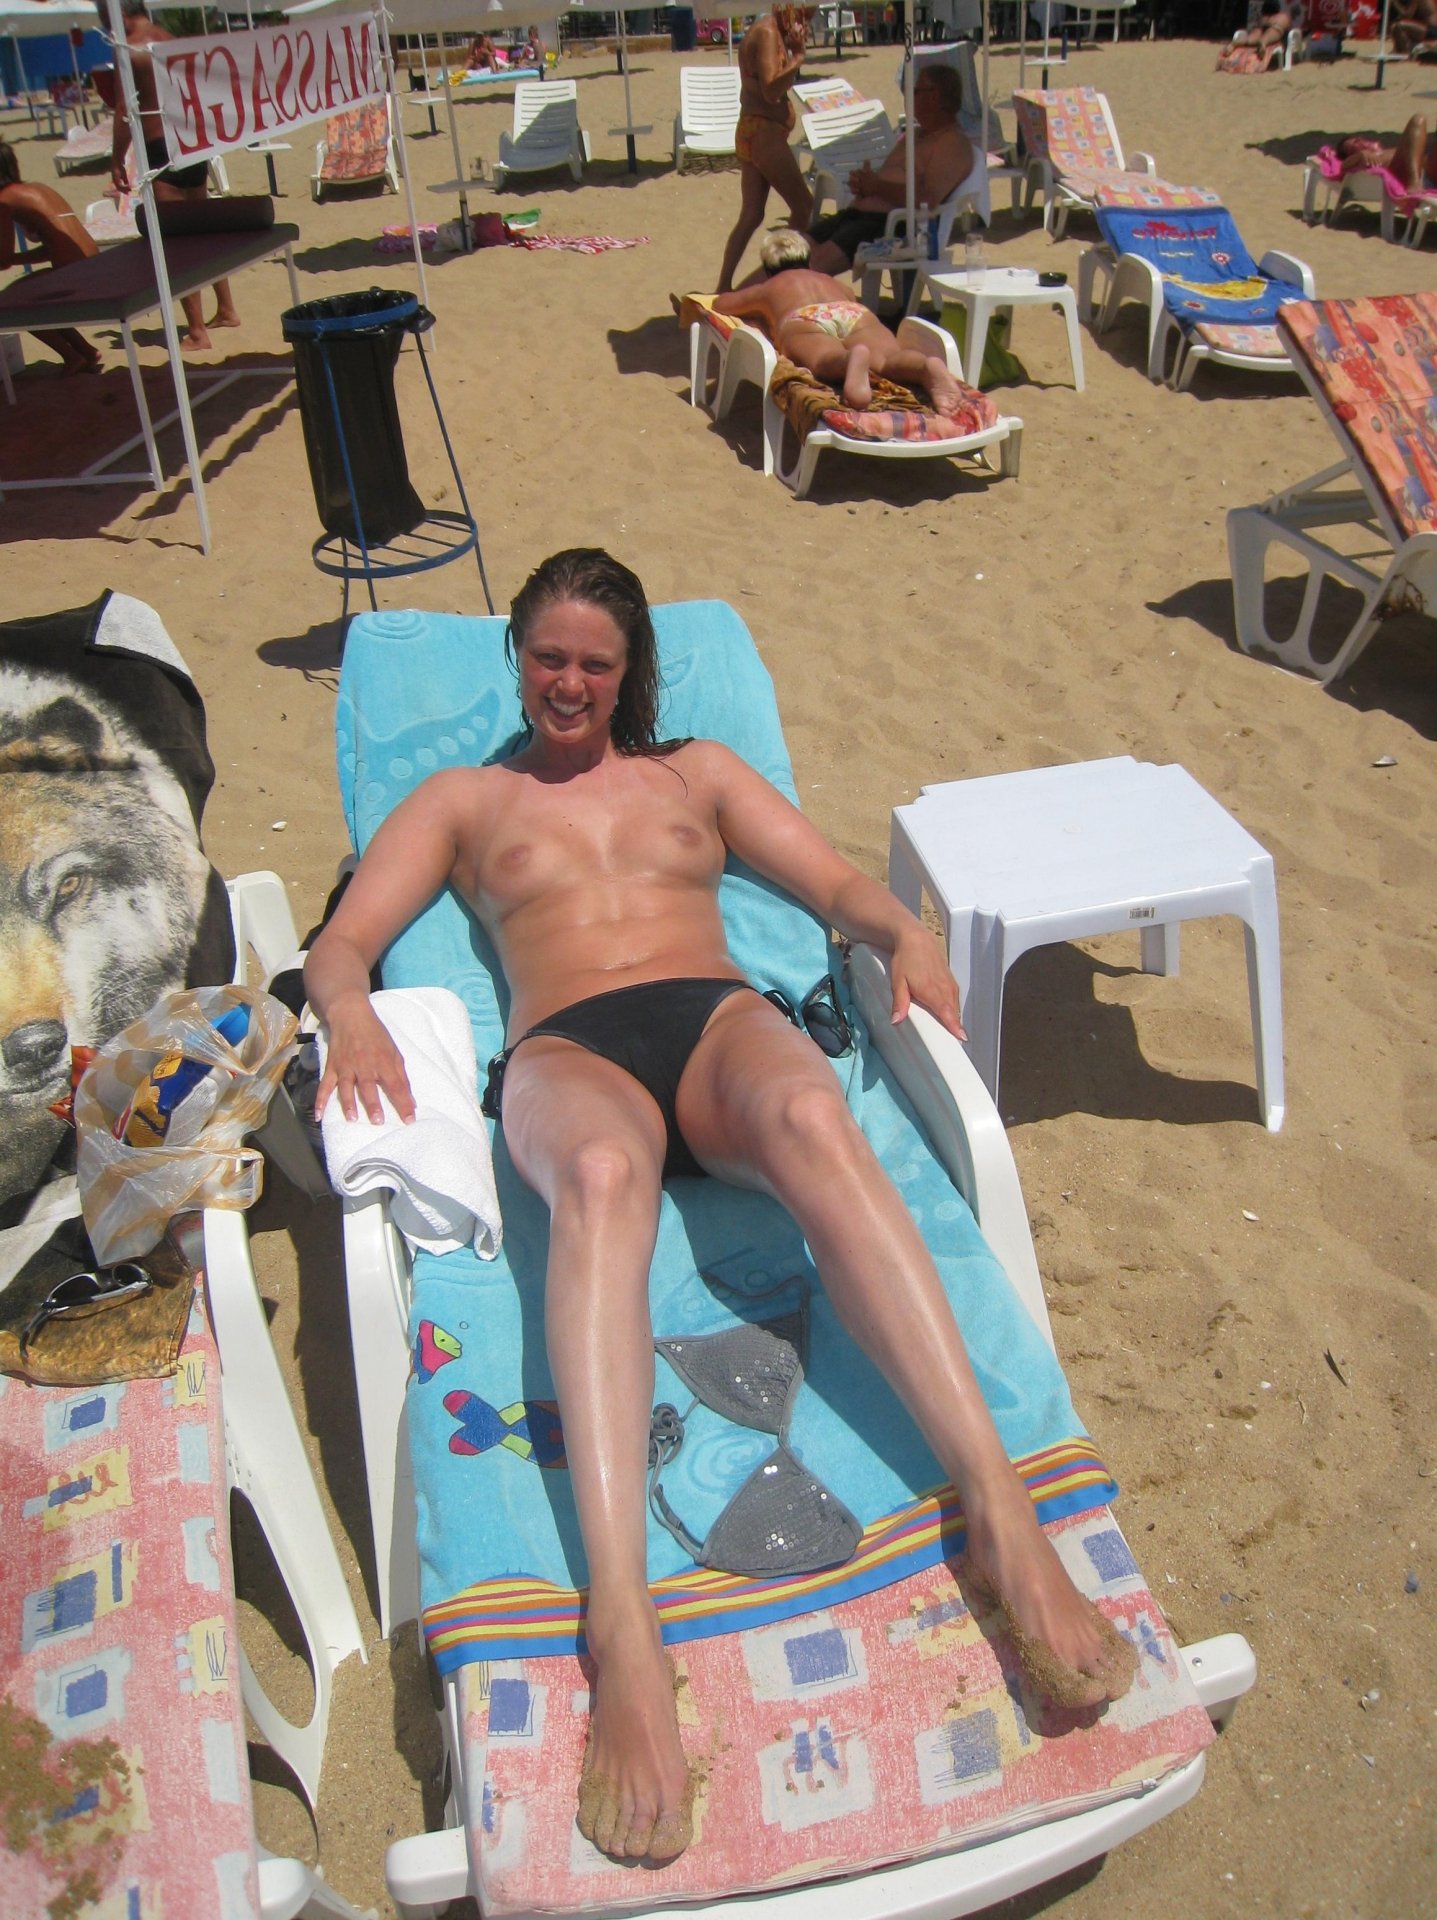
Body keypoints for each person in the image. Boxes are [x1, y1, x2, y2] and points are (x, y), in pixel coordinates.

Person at [305, 548, 1139, 1868]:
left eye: (594, 662)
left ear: (626, 669)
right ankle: (623, 1623)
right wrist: (349, 1016)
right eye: (546, 656)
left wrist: (900, 931)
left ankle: (998, 1509)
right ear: (516, 658)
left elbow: (830, 883)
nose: (568, 682)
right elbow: (343, 942)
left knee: (811, 1114)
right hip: (568, 1051)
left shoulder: (696, 773)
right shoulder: (465, 799)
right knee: (597, 1178)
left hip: (711, 1024)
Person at [104, 0, 239, 352]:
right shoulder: (169, 38)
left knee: (176, 243)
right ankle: (226, 309)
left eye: (106, 17)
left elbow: (124, 109)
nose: (105, 25)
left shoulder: (128, 48)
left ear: (119, 13)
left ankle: (197, 331)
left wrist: (117, 158)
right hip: (191, 141)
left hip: (159, 146)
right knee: (202, 231)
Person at [714, 226, 966, 413]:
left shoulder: (768, 287)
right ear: (808, 260)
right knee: (888, 359)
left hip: (805, 318)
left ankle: (848, 360)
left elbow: (722, 304)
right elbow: (852, 299)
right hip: (851, 312)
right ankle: (925, 366)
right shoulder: (829, 281)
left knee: (824, 358)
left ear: (768, 269)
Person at [806, 65, 974, 277]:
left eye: (915, 91)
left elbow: (927, 200)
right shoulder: (916, 135)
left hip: (888, 225)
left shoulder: (951, 143)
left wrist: (876, 186)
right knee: (785, 255)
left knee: (810, 267)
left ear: (934, 96)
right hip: (855, 217)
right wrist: (865, 185)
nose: (909, 96)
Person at [716, 4, 813, 294]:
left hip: (756, 130)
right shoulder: (768, 33)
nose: (806, 22)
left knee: (752, 215)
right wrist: (798, 57)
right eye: (804, 14)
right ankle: (783, 278)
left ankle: (723, 286)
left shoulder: (774, 32)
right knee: (803, 206)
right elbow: (771, 91)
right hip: (763, 132)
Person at [0, 139, 102, 374]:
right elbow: (54, 248)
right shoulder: (37, 188)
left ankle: (72, 356)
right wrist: (15, 259)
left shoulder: (4, 200)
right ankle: (86, 352)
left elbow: (3, 259)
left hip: (72, 274)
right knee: (28, 294)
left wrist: (10, 259)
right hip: (93, 265)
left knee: (11, 303)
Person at [1215, 0, 1294, 71]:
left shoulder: (1263, 18)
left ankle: (1236, 42)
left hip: (1263, 24)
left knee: (1253, 35)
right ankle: (1264, 42)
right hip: (1277, 25)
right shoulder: (1284, 16)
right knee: (1275, 30)